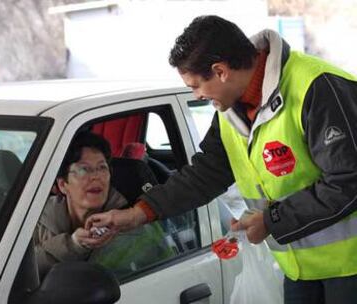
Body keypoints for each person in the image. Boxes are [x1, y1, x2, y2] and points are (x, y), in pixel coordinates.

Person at [86, 15, 357, 304]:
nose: (197, 95)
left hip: (351, 268)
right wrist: (138, 213)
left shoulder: (316, 87)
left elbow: (348, 182)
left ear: (221, 71)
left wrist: (271, 220)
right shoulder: (231, 110)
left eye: (195, 86)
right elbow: (205, 174)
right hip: (301, 270)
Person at [34, 131, 172, 279]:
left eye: (102, 168)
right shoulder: (35, 218)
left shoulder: (132, 224)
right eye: (83, 169)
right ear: (63, 185)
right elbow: (17, 271)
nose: (96, 177)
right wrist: (73, 245)